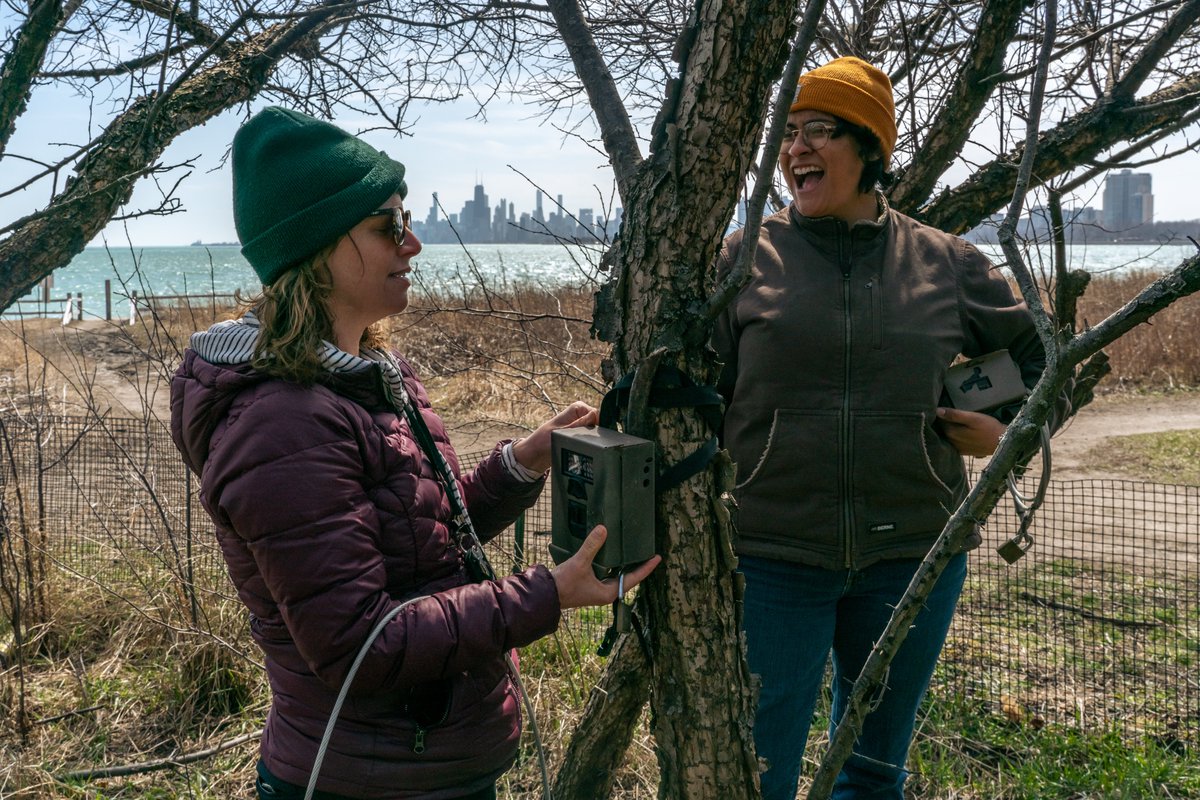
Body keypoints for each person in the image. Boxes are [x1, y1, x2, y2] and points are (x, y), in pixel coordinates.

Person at [170, 106, 659, 800]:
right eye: (389, 225)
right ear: (319, 247)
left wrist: (522, 462)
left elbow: (419, 538)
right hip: (367, 781)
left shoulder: (365, 374)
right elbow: (360, 644)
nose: (414, 244)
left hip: (425, 764)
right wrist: (546, 595)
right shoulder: (280, 422)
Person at [712, 57, 1067, 799]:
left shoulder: (948, 262)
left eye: (819, 131)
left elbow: (1048, 364)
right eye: (788, 133)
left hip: (913, 555)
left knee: (873, 774)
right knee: (760, 775)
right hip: (773, 557)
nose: (795, 148)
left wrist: (1006, 435)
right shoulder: (744, 260)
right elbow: (689, 399)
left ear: (870, 147)